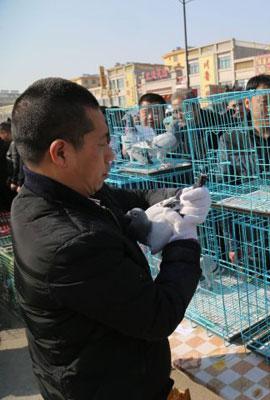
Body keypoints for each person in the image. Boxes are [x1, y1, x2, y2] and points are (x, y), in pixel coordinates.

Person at [10, 78, 211, 399]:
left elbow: (127, 197)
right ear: (61, 152)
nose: (112, 155)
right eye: (102, 143)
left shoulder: (42, 194)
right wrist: (184, 238)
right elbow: (158, 315)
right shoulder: (70, 245)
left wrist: (178, 196)